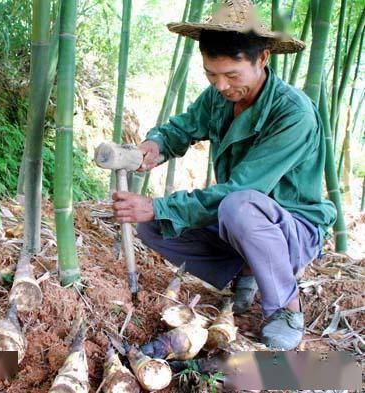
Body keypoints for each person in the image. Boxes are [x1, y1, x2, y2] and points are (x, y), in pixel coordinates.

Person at [111, 0, 336, 350]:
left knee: (236, 206)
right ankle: (246, 272)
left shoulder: (294, 114)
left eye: (232, 75)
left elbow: (242, 189)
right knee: (152, 225)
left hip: (292, 229)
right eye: (210, 75)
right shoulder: (219, 96)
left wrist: (158, 205)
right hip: (237, 221)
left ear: (262, 58)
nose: (221, 85)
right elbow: (181, 129)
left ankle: (287, 308)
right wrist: (152, 147)